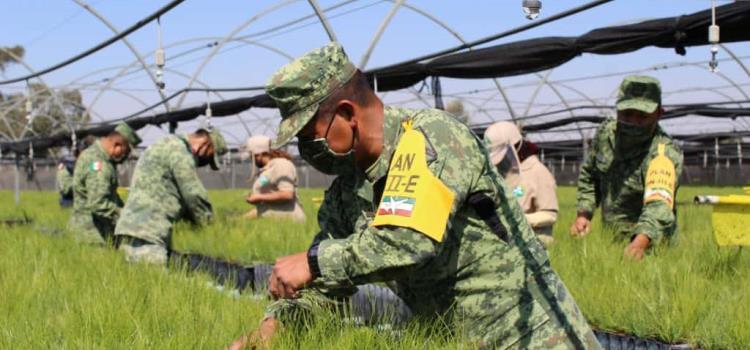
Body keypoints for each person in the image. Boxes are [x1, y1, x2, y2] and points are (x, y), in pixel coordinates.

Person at [230, 43, 600, 349]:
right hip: (457, 340)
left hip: (530, 335)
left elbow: (407, 240)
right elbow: (326, 287)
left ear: (346, 114)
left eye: (309, 134)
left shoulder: (428, 138)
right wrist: (270, 331)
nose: (305, 149)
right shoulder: (347, 190)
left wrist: (313, 261)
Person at [570, 75, 683, 260]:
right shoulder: (605, 136)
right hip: (611, 241)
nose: (634, 122)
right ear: (617, 109)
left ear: (659, 113)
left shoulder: (663, 154)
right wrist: (584, 214)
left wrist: (640, 242)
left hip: (652, 247)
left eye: (642, 116)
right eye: (627, 114)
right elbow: (590, 175)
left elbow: (659, 206)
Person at [114, 128, 227, 265]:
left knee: (136, 280)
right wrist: (212, 228)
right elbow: (193, 193)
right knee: (154, 282)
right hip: (149, 233)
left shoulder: (164, 143)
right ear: (204, 143)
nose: (203, 163)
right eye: (208, 157)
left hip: (132, 229)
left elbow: (172, 191)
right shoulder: (179, 150)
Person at [484, 121, 558, 247]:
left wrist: (519, 219)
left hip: (537, 245)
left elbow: (550, 215)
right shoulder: (504, 172)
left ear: (515, 145)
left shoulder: (538, 171)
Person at [69, 122, 141, 245]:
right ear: (117, 145)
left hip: (87, 232)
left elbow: (109, 194)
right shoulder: (100, 164)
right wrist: (126, 215)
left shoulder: (92, 154)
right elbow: (98, 203)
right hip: (92, 237)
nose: (125, 156)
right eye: (126, 151)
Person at [242, 135, 306, 223]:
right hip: (272, 218)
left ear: (259, 154)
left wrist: (259, 197)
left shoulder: (282, 165)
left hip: (288, 220)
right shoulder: (267, 169)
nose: (250, 159)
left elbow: (287, 194)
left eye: (252, 156)